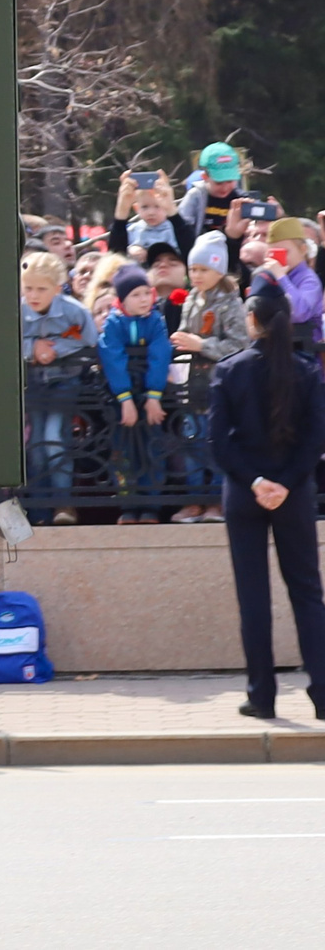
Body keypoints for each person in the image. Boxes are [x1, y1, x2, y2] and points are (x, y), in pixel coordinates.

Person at [208, 281, 325, 719]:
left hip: (243, 493)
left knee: (253, 597)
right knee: (308, 594)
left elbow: (219, 443)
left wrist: (256, 481)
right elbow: (315, 440)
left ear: (252, 320)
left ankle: (262, 695)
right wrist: (286, 483)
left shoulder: (229, 370)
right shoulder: (307, 371)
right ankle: (323, 692)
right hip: (294, 495)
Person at [171, 230, 253, 523]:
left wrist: (201, 345)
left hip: (220, 386)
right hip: (192, 385)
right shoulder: (192, 298)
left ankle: (218, 501)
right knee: (190, 442)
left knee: (216, 443)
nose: (196, 275)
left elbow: (240, 345)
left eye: (203, 269)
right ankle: (194, 500)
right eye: (193, 269)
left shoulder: (231, 302)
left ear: (218, 269)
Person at [98, 264, 175, 523]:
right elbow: (113, 359)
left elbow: (160, 355)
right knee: (123, 452)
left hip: (149, 396)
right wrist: (125, 400)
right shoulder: (114, 322)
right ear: (122, 299)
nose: (144, 300)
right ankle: (128, 504)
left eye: (146, 293)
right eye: (136, 295)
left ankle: (151, 506)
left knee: (152, 447)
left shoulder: (155, 320)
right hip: (120, 400)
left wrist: (154, 395)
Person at [22, 250, 96, 525]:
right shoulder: (16, 311)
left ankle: (63, 505)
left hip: (64, 381)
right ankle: (40, 510)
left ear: (57, 288)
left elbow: (89, 340)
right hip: (32, 386)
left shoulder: (73, 311)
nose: (34, 295)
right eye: (28, 288)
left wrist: (57, 349)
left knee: (54, 438)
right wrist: (32, 349)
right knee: (36, 446)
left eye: (41, 289)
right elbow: (3, 342)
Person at [258, 217, 324, 347]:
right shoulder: (269, 275)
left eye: (284, 252)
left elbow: (299, 313)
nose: (278, 258)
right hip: (274, 346)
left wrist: (282, 277)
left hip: (303, 352)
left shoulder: (309, 279)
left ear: (303, 250)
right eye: (273, 253)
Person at [177, 142, 251, 245]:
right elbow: (182, 227)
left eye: (230, 181)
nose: (225, 188)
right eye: (219, 183)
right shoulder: (195, 196)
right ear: (205, 177)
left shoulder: (241, 198)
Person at [111, 170, 184, 258]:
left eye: (157, 206)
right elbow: (119, 251)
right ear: (136, 208)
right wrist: (132, 250)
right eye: (145, 207)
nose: (151, 213)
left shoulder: (173, 229)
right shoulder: (134, 230)